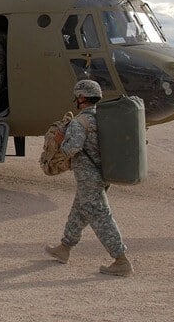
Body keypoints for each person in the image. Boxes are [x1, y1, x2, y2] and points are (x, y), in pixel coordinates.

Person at [45, 79, 133, 276]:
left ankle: (121, 260)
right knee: (79, 211)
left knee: (99, 215)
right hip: (102, 173)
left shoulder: (80, 122)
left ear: (82, 98)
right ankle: (64, 248)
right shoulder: (101, 119)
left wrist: (60, 142)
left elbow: (73, 148)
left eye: (77, 97)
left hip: (88, 176)